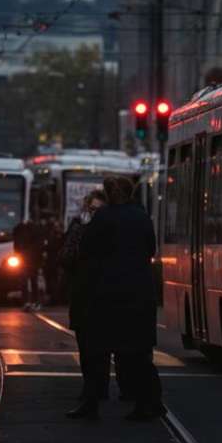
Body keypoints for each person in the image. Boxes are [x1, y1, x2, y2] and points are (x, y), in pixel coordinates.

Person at [80, 176, 164, 421]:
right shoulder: (141, 216)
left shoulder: (103, 218)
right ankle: (149, 401)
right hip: (139, 292)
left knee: (97, 351)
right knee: (138, 353)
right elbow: (150, 249)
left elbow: (86, 250)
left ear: (108, 195)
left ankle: (91, 402)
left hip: (108, 293)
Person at [60, 189, 106, 417]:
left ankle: (95, 393)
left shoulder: (108, 231)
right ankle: (93, 392)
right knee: (88, 349)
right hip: (83, 296)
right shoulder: (79, 230)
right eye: (92, 209)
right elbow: (66, 258)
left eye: (98, 210)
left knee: (96, 349)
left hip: (99, 297)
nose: (94, 213)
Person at [13, 217, 44, 311]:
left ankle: (27, 302)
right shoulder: (36, 231)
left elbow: (16, 245)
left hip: (25, 260)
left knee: (25, 281)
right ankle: (34, 302)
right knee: (32, 281)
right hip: (32, 260)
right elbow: (39, 248)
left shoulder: (19, 230)